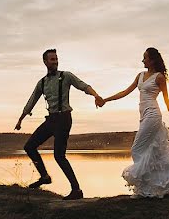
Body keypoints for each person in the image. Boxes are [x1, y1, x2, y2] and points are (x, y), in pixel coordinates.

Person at [97, 47, 169, 197]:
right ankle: (156, 185)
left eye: (145, 57)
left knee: (136, 150)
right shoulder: (140, 75)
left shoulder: (159, 77)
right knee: (154, 153)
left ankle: (147, 185)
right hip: (144, 115)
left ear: (152, 60)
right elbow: (125, 92)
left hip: (153, 115)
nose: (142, 60)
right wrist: (106, 100)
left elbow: (166, 99)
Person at [15, 48, 103, 200]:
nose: (55, 62)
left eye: (56, 59)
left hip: (64, 119)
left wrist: (96, 95)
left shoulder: (66, 76)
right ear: (45, 62)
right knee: (29, 147)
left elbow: (83, 85)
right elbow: (31, 101)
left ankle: (76, 190)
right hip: (51, 120)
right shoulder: (42, 82)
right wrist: (20, 119)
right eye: (52, 59)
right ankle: (44, 177)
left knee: (59, 156)